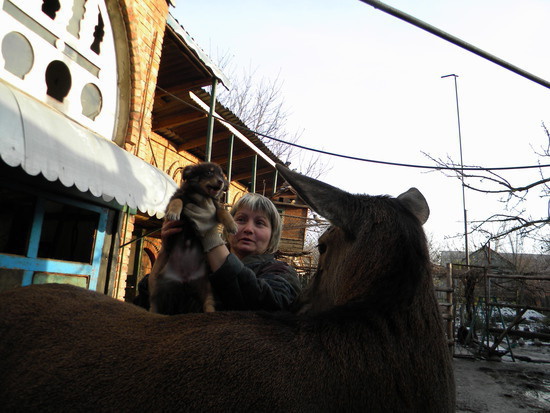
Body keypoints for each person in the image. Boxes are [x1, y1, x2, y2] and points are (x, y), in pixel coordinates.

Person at [136, 193, 301, 312]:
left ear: (273, 235)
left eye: (260, 223)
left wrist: (209, 236)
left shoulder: (281, 272)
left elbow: (271, 305)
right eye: (240, 220)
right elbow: (151, 303)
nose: (248, 229)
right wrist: (167, 253)